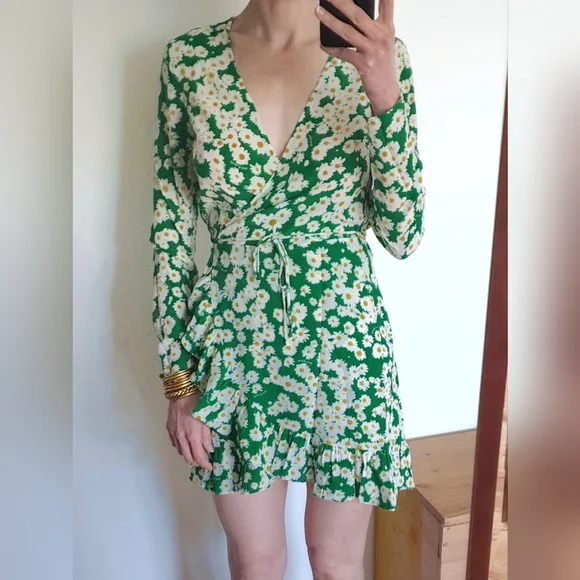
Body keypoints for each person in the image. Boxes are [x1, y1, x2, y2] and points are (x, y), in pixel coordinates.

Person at [150, 0, 426, 578]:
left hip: (345, 348)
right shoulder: (188, 61)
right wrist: (179, 381)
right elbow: (169, 235)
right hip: (232, 350)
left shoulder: (377, 55)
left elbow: (403, 236)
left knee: (336, 562)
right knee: (256, 563)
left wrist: (386, 97)